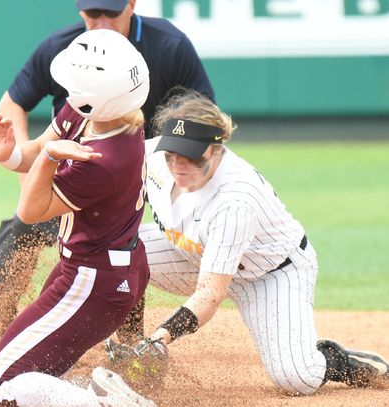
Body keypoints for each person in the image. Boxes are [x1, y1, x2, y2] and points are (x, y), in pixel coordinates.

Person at [0, 0, 216, 361]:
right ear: (80, 12)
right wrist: (22, 166)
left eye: (111, 12)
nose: (102, 22)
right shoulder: (69, 59)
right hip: (79, 179)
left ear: (132, 5)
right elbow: (12, 104)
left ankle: (127, 346)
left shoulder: (168, 45)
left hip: (149, 174)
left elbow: (202, 116)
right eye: (94, 14)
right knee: (17, 232)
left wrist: (178, 178)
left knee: (122, 246)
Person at [105, 88, 389, 396]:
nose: (178, 165)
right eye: (173, 154)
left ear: (216, 149)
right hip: (195, 255)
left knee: (297, 378)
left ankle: (338, 360)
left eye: (190, 155)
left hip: (269, 274)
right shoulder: (151, 157)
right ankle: (129, 345)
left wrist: (160, 339)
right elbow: (96, 171)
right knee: (116, 252)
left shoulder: (235, 198)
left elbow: (211, 294)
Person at [0, 29, 157, 407]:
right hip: (95, 269)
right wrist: (10, 156)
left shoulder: (104, 160)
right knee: (19, 371)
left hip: (95, 282)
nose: (71, 89)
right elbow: (40, 148)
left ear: (99, 96)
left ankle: (102, 402)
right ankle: (93, 389)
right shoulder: (99, 113)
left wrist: (49, 159)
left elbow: (29, 211)